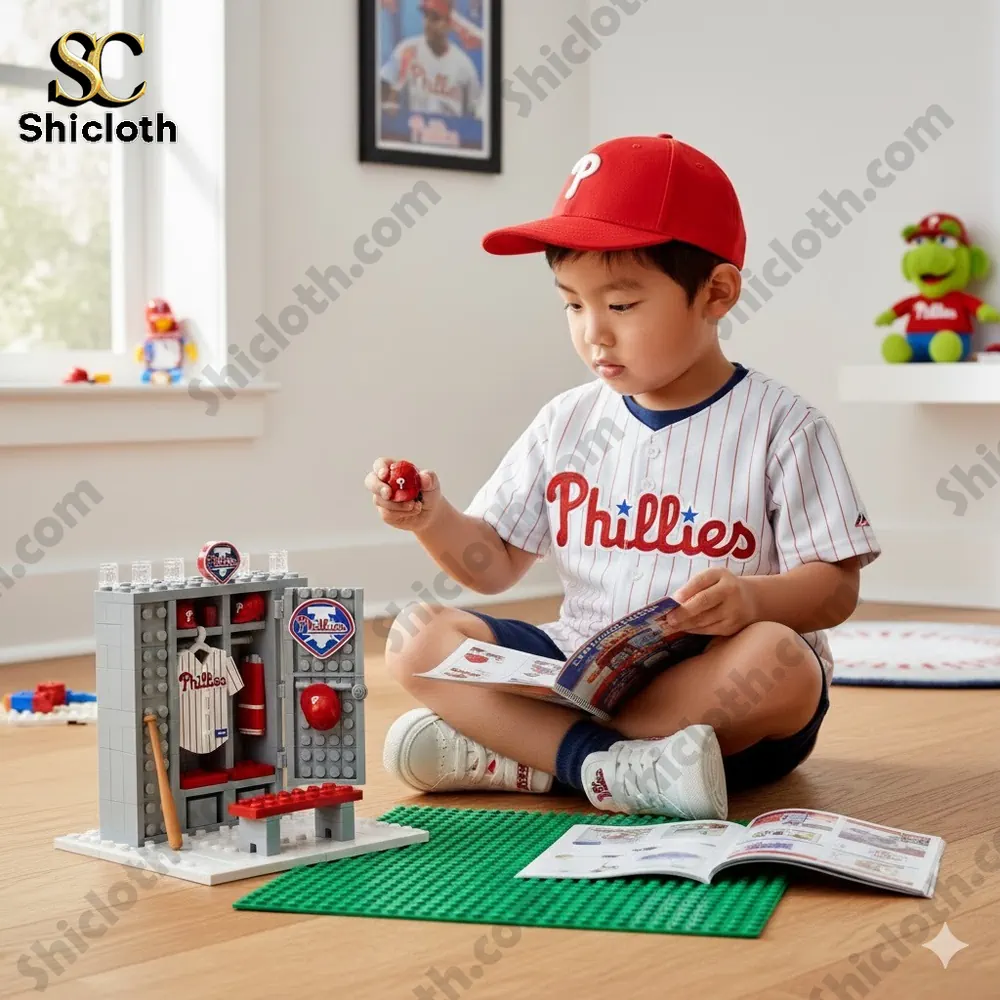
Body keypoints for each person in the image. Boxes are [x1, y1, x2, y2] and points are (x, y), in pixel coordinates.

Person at [367, 133, 881, 819]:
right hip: (578, 666)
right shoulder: (567, 420)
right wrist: (431, 518)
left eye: (621, 305)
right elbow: (492, 567)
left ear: (716, 292)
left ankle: (533, 753)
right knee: (416, 637)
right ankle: (608, 768)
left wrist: (755, 600)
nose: (593, 333)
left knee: (780, 661)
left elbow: (836, 588)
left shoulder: (782, 426)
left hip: (710, 689)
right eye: (573, 305)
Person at [379, 0, 482, 119]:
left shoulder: (464, 66)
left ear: (449, 23)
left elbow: (476, 114)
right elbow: (383, 85)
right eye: (426, 16)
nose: (428, 23)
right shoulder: (407, 50)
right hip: (414, 126)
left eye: (435, 18)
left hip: (451, 128)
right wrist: (388, 104)